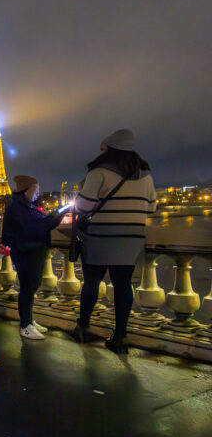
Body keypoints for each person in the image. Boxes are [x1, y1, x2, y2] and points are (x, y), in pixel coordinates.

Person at [72, 129, 157, 353]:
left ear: (109, 150)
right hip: (131, 238)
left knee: (92, 282)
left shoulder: (99, 172)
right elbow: (151, 207)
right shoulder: (146, 175)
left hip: (100, 235)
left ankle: (83, 327)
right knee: (123, 285)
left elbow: (83, 206)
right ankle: (120, 337)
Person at [1, 175, 65, 340]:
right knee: (28, 288)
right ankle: (25, 326)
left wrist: (57, 214)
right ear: (26, 190)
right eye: (35, 190)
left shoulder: (23, 205)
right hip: (26, 252)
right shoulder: (19, 206)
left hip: (30, 250)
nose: (37, 194)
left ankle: (29, 321)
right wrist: (59, 213)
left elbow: (38, 224)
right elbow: (39, 226)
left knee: (30, 288)